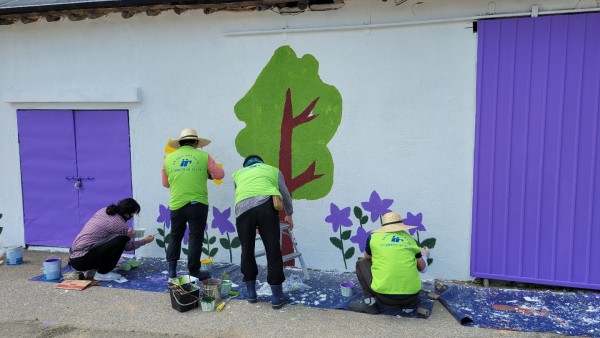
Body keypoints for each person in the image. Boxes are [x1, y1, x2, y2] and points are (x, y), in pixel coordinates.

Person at [232, 155, 294, 309]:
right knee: (272, 249)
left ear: (246, 165)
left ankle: (251, 294)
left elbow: (243, 196)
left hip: (242, 210)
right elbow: (285, 194)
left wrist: (255, 224)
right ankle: (277, 296)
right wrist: (289, 214)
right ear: (261, 163)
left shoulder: (238, 174)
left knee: (246, 250)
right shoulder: (273, 170)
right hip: (266, 206)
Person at [162, 128, 224, 280]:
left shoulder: (169, 159)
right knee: (195, 237)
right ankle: (194, 271)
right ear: (196, 142)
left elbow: (165, 183)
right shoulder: (203, 156)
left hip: (177, 204)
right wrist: (206, 173)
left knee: (175, 236)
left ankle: (172, 271)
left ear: (180, 144)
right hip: (198, 204)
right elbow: (219, 175)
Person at [349, 211, 430, 315]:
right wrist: (424, 255)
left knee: (361, 263)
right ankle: (408, 306)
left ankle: (370, 303)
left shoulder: (373, 237)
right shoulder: (410, 240)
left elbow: (367, 257)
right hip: (412, 297)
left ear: (383, 226)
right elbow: (423, 269)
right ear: (401, 225)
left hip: (385, 298)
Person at [69, 198, 154, 281]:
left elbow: (105, 233)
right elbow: (127, 247)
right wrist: (145, 241)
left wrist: (126, 233)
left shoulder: (104, 210)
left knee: (120, 238)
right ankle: (103, 273)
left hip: (75, 256)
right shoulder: (121, 225)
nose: (131, 217)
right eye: (132, 214)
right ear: (127, 214)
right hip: (83, 259)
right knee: (121, 239)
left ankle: (93, 269)